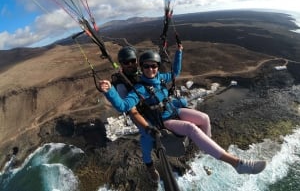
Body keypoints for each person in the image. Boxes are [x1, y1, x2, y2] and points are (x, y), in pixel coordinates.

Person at [100, 45, 267, 176]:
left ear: (157, 67)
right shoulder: (138, 89)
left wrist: (179, 52)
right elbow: (124, 106)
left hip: (174, 110)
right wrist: (109, 91)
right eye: (147, 66)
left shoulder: (159, 77)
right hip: (162, 120)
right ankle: (237, 164)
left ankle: (208, 148)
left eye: (154, 66)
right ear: (141, 67)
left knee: (204, 118)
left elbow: (175, 72)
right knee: (190, 128)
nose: (151, 69)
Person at [110, 46, 160, 183]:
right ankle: (150, 167)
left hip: (152, 106)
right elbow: (131, 109)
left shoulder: (142, 71)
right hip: (139, 114)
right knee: (146, 137)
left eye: (132, 61)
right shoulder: (121, 84)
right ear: (121, 64)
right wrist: (146, 126)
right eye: (126, 62)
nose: (130, 64)